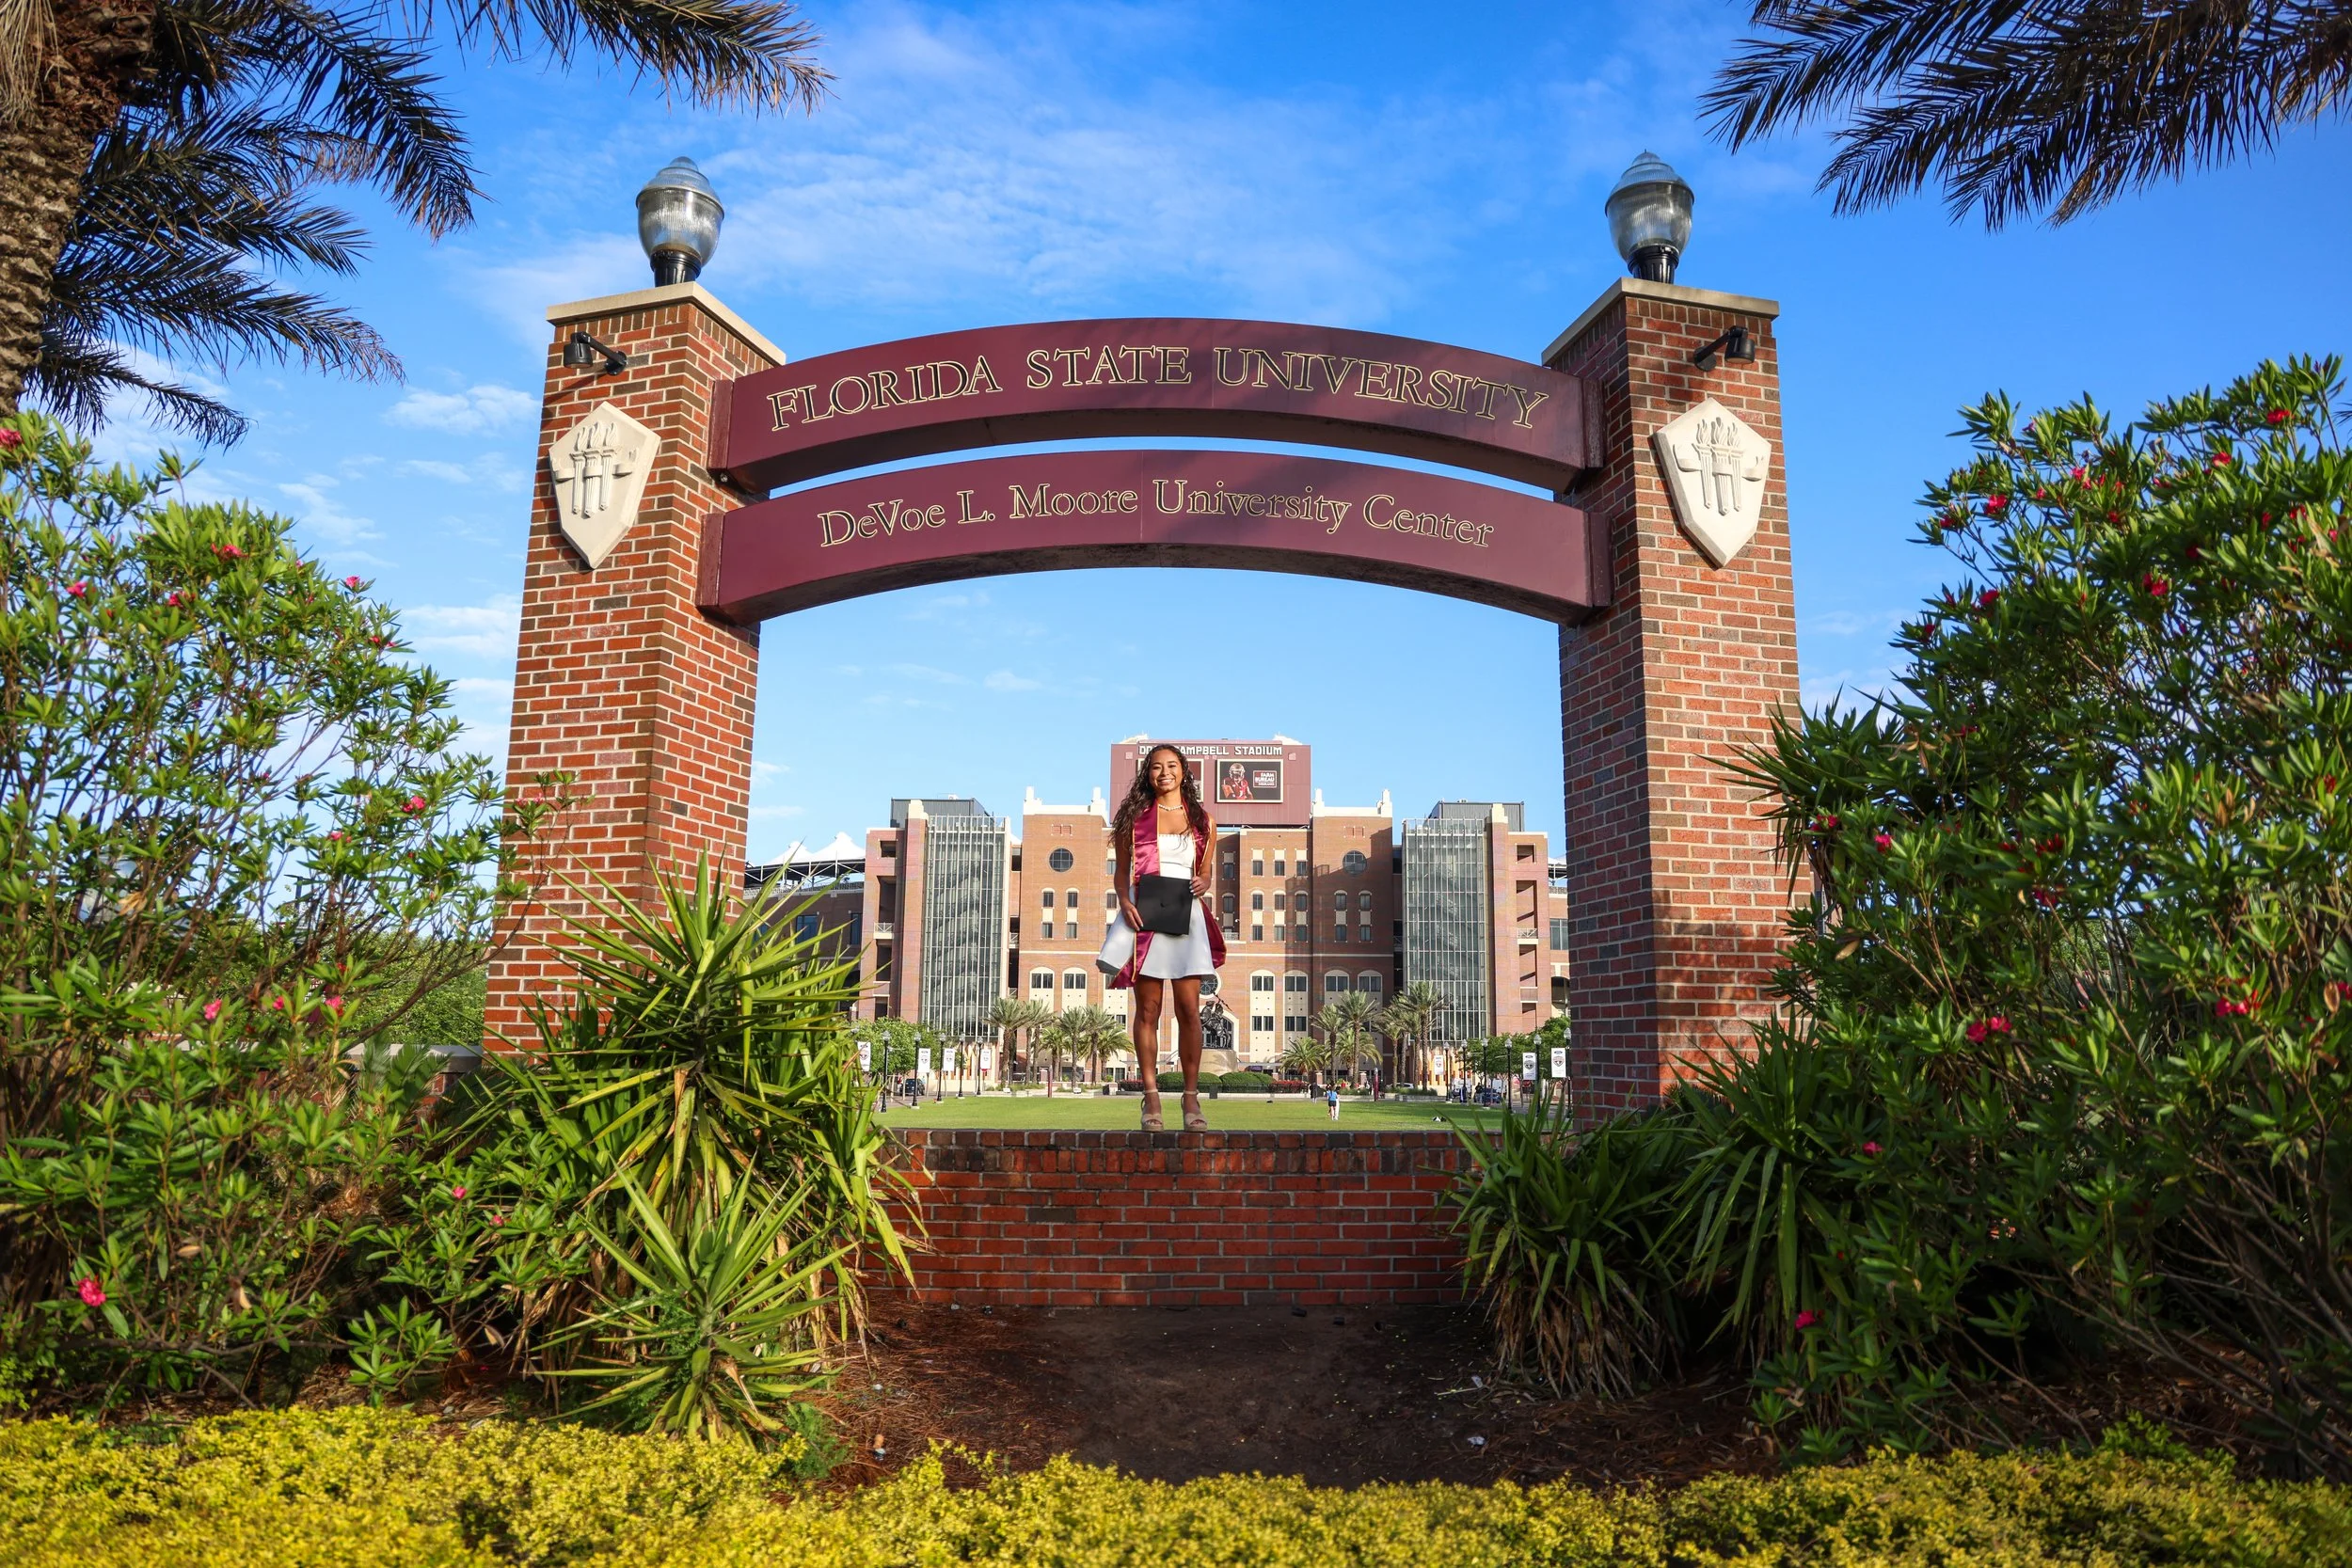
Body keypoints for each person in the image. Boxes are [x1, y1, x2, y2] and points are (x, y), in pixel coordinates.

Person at [1107, 743, 1224, 1132]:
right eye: (1156, 767)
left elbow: (1205, 871)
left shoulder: (1203, 820)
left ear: (1183, 771)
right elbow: (1122, 873)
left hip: (1185, 916)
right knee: (1148, 1010)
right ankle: (1151, 1095)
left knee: (1189, 1009)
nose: (1164, 773)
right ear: (1147, 774)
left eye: (1171, 766)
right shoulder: (1135, 819)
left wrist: (1205, 882)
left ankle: (1191, 1100)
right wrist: (1124, 901)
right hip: (1147, 915)